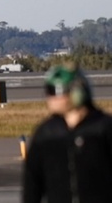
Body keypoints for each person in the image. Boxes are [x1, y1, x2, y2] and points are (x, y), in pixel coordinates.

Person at [22, 63, 112, 203]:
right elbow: (32, 183)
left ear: (77, 93)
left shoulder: (104, 128)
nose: (50, 98)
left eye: (55, 91)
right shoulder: (46, 133)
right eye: (48, 91)